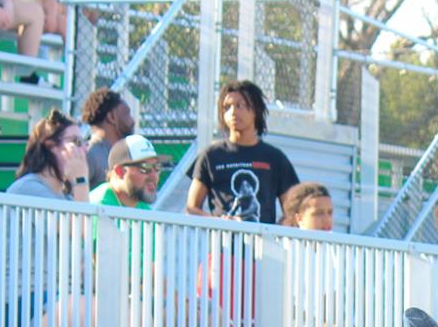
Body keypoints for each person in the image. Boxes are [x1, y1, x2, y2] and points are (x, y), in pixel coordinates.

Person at [187, 81, 299, 224]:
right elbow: (192, 208)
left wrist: (273, 235)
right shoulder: (210, 155)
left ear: (256, 110)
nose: (233, 112)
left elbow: (294, 210)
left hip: (261, 243)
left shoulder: (274, 158)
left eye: (240, 106)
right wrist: (219, 222)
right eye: (227, 107)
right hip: (222, 243)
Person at [88, 134, 167, 210]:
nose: (154, 176)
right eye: (145, 167)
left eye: (157, 167)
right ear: (120, 172)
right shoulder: (98, 207)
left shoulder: (144, 209)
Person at [79, 87, 134, 188]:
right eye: (127, 114)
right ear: (111, 117)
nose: (133, 121)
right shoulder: (90, 154)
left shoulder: (121, 154)